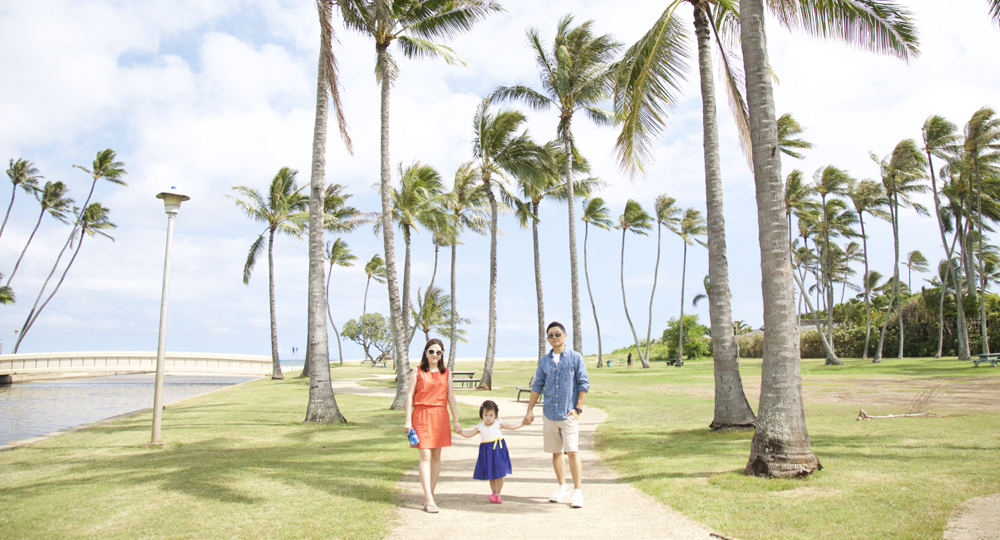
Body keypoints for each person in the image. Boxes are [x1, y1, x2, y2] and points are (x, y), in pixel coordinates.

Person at [523, 321, 590, 508]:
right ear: (547, 339)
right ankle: (562, 488)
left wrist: (577, 409)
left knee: (573, 452)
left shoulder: (576, 358)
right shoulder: (544, 361)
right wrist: (529, 410)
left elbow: (583, 384)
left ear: (565, 336)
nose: (554, 338)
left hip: (568, 414)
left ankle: (577, 492)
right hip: (550, 413)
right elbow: (537, 386)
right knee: (556, 452)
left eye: (558, 334)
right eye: (551, 335)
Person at [404, 339, 461, 513]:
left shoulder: (446, 373)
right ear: (425, 352)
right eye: (431, 351)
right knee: (425, 455)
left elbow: (450, 396)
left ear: (442, 354)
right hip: (421, 415)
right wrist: (407, 420)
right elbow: (409, 397)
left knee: (436, 456)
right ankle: (428, 497)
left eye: (438, 352)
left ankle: (431, 494)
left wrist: (456, 419)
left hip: (440, 415)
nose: (435, 355)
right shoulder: (417, 371)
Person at [456, 400, 526, 503]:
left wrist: (522, 423)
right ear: (481, 415)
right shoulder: (480, 427)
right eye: (485, 415)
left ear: (495, 415)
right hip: (487, 451)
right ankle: (494, 493)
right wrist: (461, 432)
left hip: (498, 449)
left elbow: (511, 427)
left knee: (501, 473)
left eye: (491, 415)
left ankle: (498, 493)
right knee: (491, 473)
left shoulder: (498, 424)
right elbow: (469, 433)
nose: (488, 417)